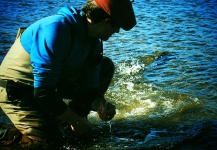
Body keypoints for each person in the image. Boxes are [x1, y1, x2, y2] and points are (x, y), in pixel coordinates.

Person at [0, 0, 136, 145]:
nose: (117, 32)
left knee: (105, 67)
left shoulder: (94, 42)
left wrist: (100, 105)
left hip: (49, 86)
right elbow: (43, 92)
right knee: (50, 143)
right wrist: (76, 121)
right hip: (17, 90)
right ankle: (6, 133)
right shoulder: (55, 29)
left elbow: (90, 89)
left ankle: (65, 123)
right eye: (117, 27)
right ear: (106, 22)